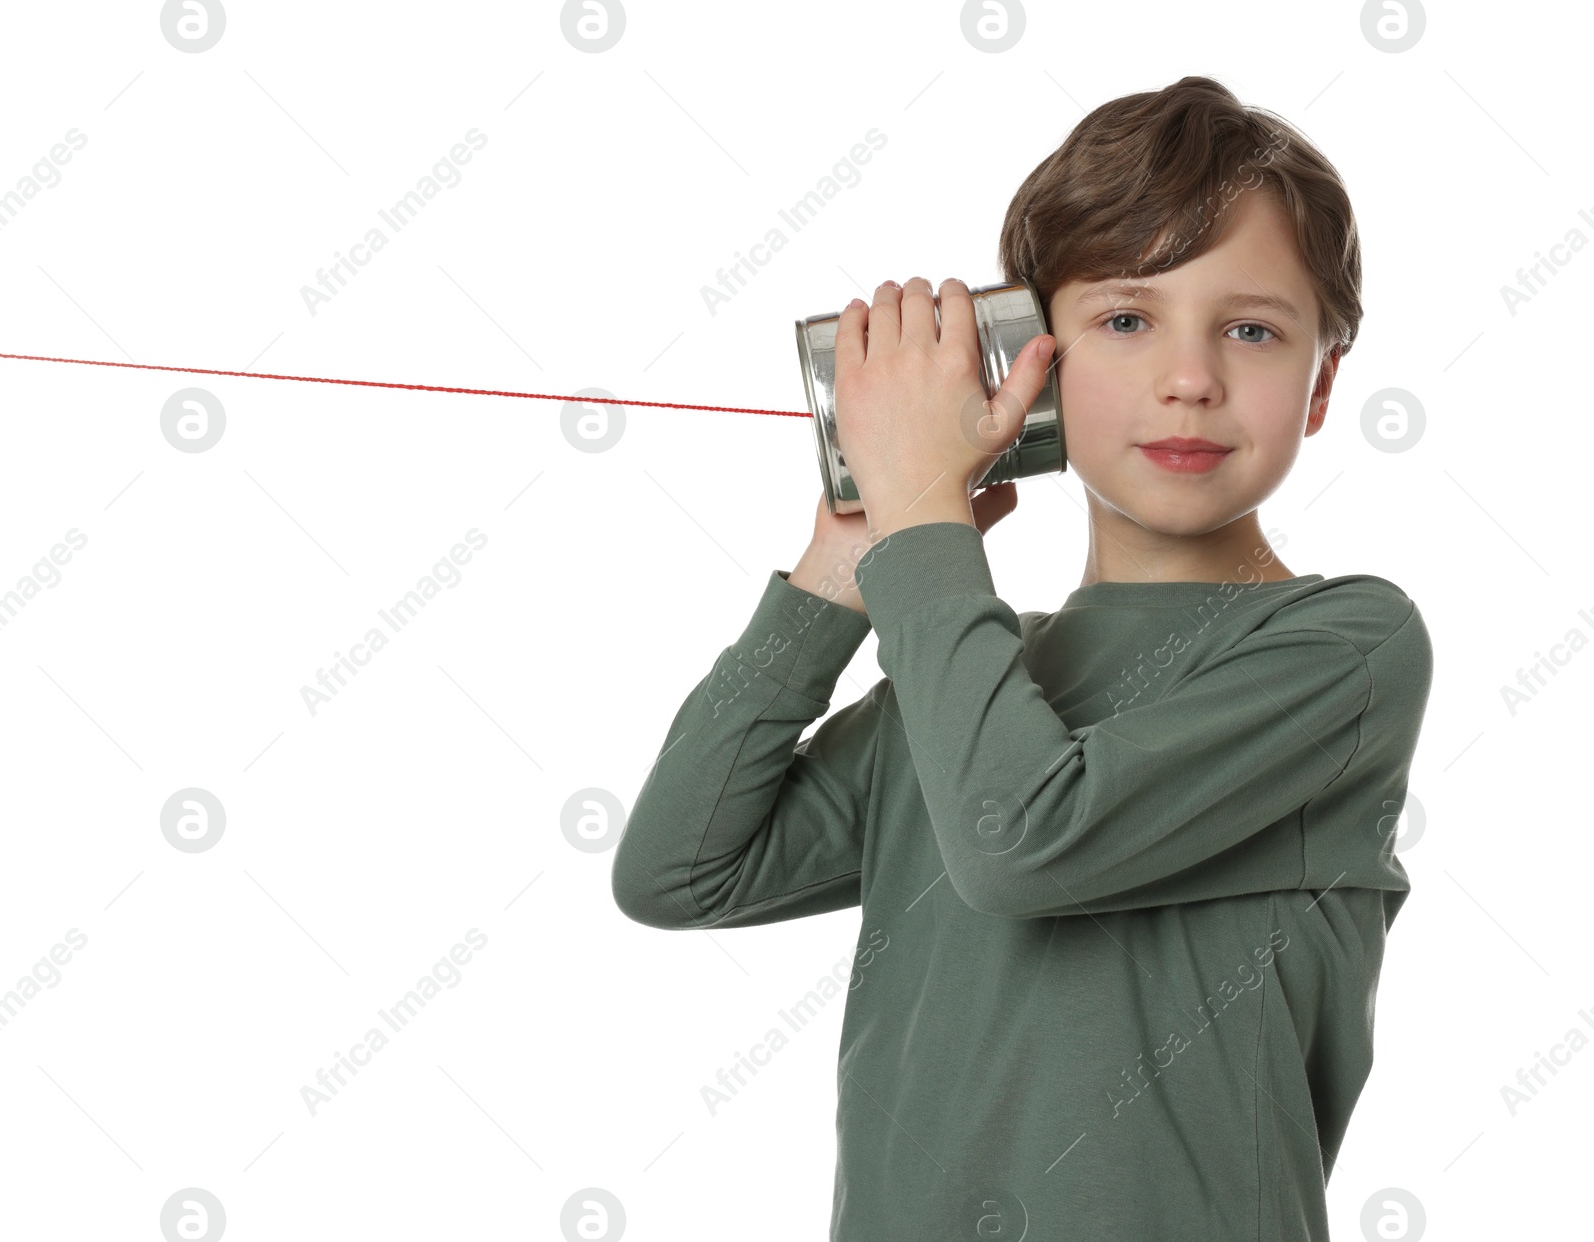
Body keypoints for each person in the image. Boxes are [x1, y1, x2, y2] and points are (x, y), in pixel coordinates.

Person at [611, 73, 1434, 1240]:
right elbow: (680, 872)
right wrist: (847, 568)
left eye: (1250, 330)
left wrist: (928, 539)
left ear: (1320, 386)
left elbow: (1022, 842)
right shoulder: (968, 668)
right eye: (1125, 320)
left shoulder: (1341, 647)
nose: (1188, 377)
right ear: (1024, 369)